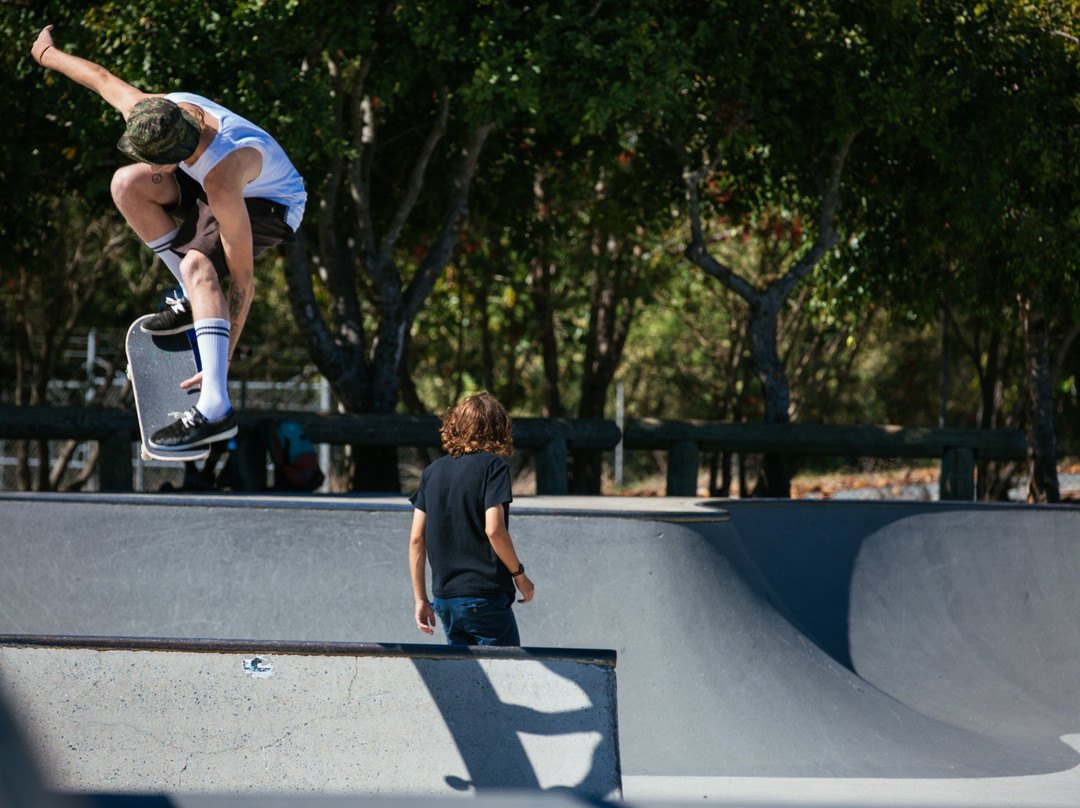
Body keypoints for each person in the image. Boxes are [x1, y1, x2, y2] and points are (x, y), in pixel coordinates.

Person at [30, 25, 306, 450]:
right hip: (206, 173)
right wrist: (46, 54)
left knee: (200, 264)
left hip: (271, 202)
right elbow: (101, 78)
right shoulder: (156, 110)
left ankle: (216, 408)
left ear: (173, 155)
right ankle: (191, 291)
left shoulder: (223, 176)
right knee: (127, 184)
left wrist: (225, 353)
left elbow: (244, 279)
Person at [409, 393, 535, 646]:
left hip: (445, 599)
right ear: (498, 428)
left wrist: (420, 599)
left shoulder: (431, 473)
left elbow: (416, 538)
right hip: (484, 596)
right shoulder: (493, 467)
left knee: (466, 681)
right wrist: (519, 575)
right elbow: (494, 530)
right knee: (506, 676)